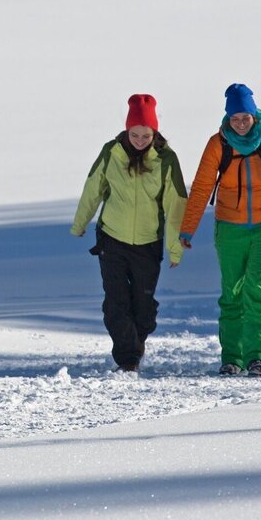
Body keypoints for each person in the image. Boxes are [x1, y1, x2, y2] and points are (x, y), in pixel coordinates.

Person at [179, 83, 261, 378]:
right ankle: (232, 357)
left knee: (257, 287)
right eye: (235, 119)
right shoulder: (218, 144)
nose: (241, 123)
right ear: (227, 119)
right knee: (232, 292)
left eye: (245, 117)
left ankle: (258, 356)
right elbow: (201, 188)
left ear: (254, 114)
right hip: (230, 227)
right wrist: (188, 229)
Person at [71, 95, 188, 373]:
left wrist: (175, 247)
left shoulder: (166, 160)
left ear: (154, 132)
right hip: (112, 238)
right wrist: (80, 223)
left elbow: (175, 206)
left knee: (143, 308)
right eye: (134, 134)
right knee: (115, 303)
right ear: (126, 131)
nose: (139, 139)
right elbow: (93, 188)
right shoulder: (112, 152)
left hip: (148, 243)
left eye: (145, 134)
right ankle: (128, 359)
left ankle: (135, 345)